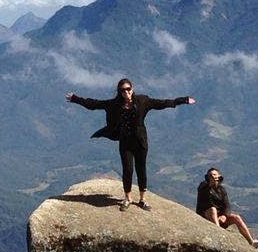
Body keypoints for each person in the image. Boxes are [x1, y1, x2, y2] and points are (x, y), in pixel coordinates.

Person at [66, 78, 195, 211]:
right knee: (127, 170)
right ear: (119, 92)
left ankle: (142, 199)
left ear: (132, 89)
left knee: (141, 169)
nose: (126, 92)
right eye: (123, 90)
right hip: (125, 142)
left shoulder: (142, 101)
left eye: (128, 89)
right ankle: (128, 198)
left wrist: (183, 100)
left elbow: (162, 103)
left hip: (140, 142)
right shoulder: (114, 104)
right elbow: (93, 104)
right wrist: (75, 99)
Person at [197, 167, 258, 248]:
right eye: (210, 175)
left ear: (219, 176)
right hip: (206, 216)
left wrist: (224, 215)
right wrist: (210, 184)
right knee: (212, 209)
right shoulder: (203, 186)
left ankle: (252, 242)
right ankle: (219, 234)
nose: (212, 176)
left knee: (236, 217)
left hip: (219, 218)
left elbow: (227, 205)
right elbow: (206, 201)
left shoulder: (222, 190)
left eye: (214, 175)